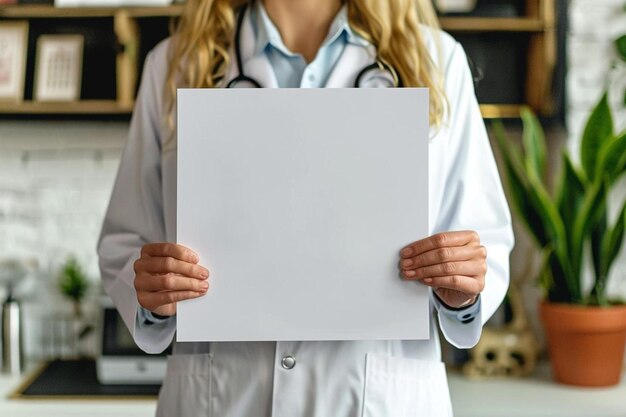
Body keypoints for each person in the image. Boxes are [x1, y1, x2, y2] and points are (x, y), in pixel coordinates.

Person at [98, 0, 514, 415]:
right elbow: (126, 241)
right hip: (224, 396)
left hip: (375, 399)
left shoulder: (436, 59)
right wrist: (151, 293)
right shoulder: (175, 64)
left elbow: (484, 241)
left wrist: (461, 288)